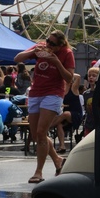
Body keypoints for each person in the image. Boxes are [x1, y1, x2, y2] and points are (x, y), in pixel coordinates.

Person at [15, 30, 75, 184]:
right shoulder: (41, 47)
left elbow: (69, 78)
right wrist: (33, 52)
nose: (48, 44)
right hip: (36, 92)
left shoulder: (67, 53)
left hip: (53, 93)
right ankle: (57, 159)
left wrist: (56, 62)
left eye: (52, 44)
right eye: (48, 40)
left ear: (60, 45)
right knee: (36, 135)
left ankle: (38, 172)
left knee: (42, 132)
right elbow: (17, 58)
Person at [55, 73, 83, 152]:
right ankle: (62, 146)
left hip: (76, 114)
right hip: (65, 115)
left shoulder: (73, 88)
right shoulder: (62, 90)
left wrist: (66, 73)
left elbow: (78, 77)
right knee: (59, 124)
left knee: (65, 114)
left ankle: (49, 126)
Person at [81, 66, 99, 137]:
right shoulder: (86, 94)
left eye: (94, 76)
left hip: (99, 123)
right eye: (89, 76)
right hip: (89, 123)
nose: (91, 77)